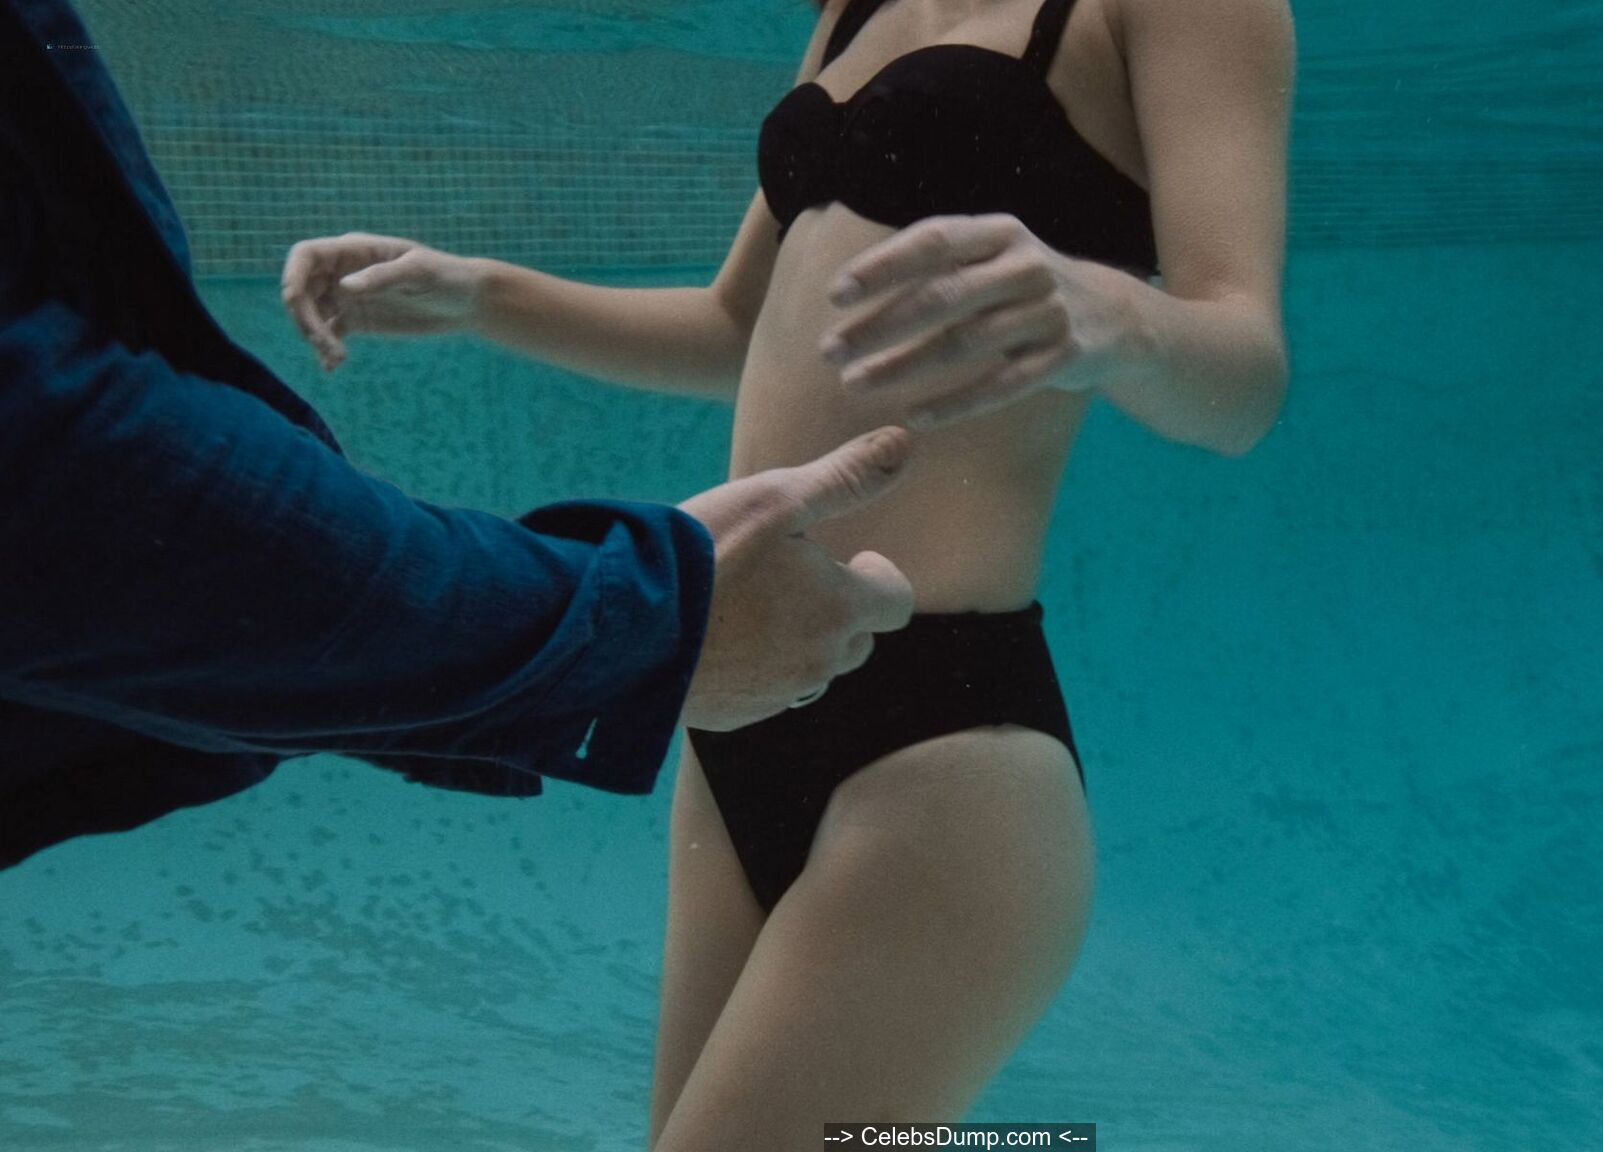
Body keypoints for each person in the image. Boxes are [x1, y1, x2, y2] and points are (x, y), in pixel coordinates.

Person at [284, 0, 1293, 1144]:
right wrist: (481, 295)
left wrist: (1111, 316)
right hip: (745, 700)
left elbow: (1246, 376)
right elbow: (733, 324)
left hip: (946, 745)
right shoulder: (850, 9)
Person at [0, 0, 918, 871]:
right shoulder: (845, 22)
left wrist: (1073, 311)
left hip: (878, 651)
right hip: (759, 636)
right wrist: (632, 623)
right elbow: (747, 324)